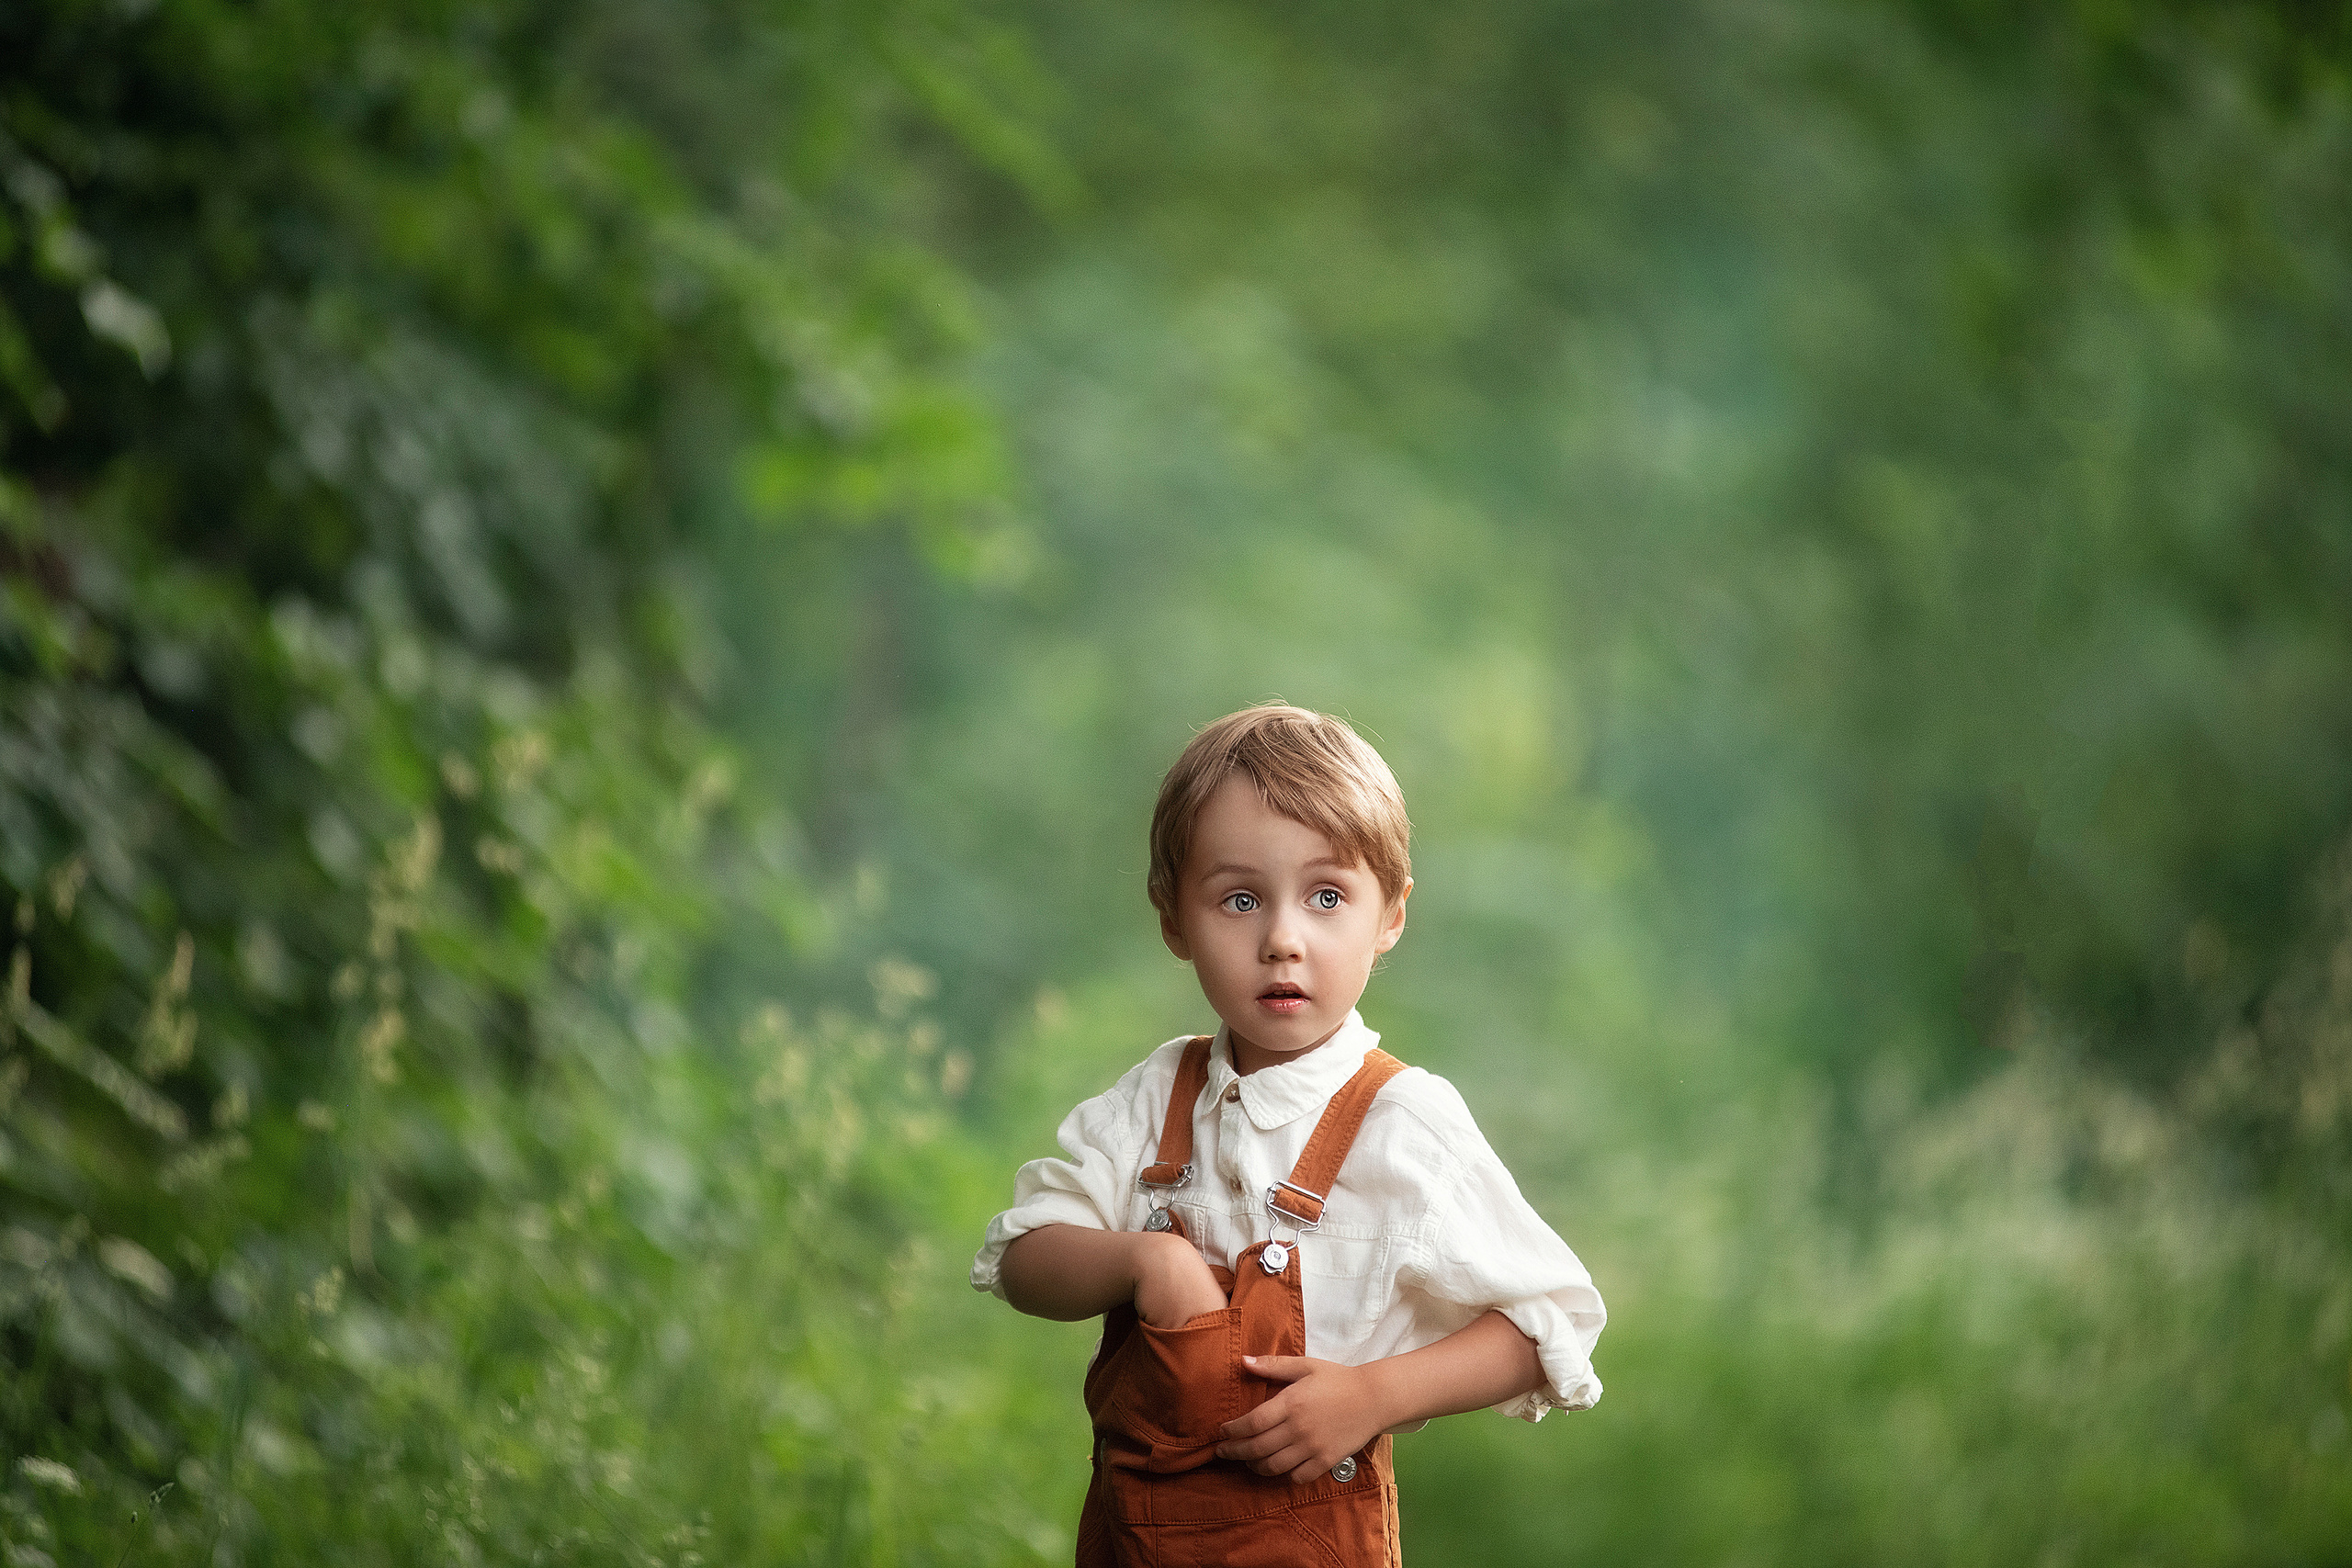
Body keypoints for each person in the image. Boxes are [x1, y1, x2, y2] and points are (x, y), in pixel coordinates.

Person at [971, 703, 1605, 1566]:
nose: (1281, 939)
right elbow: (1022, 1259)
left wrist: (1372, 1393)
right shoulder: (1158, 1098)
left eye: (1327, 896)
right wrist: (1144, 1259)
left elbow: (1549, 1323)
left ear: (1391, 915)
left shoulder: (1404, 1122)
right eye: (1239, 898)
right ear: (1172, 918)